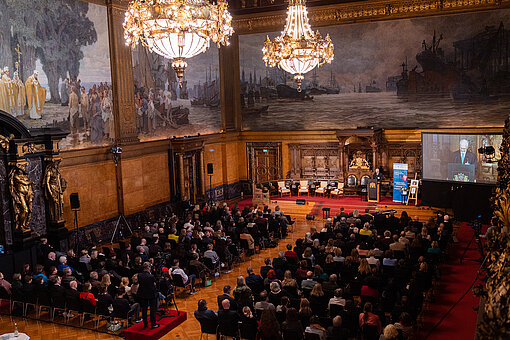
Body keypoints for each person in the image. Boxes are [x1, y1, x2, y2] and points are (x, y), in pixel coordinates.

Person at [137, 262, 159, 329]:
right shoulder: (151, 276)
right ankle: (153, 324)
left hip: (143, 294)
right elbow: (155, 283)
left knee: (144, 309)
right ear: (149, 268)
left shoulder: (139, 275)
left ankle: (145, 324)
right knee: (152, 309)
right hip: (151, 294)